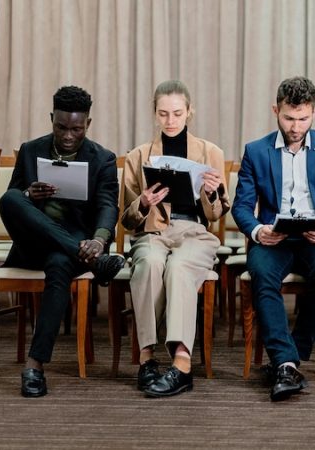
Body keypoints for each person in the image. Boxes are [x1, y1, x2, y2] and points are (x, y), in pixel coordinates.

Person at [232, 76, 315, 401]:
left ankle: (290, 356)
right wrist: (258, 230)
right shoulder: (256, 151)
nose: (296, 127)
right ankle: (286, 362)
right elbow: (242, 206)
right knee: (261, 275)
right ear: (276, 110)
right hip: (274, 237)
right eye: (289, 118)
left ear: (314, 112)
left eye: (303, 118)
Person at [0, 85, 125, 397]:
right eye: (61, 127)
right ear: (51, 118)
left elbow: (109, 205)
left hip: (77, 248)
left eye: (76, 129)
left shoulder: (103, 159)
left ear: (88, 125)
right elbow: (15, 203)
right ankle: (97, 264)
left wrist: (98, 241)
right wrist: (30, 195)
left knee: (58, 265)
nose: (68, 136)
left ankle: (34, 366)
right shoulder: (31, 150)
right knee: (11, 198)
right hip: (33, 245)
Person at [121, 80, 230, 397]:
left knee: (180, 267)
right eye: (164, 113)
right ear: (155, 113)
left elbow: (215, 214)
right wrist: (143, 203)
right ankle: (147, 359)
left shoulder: (210, 152)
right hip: (153, 232)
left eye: (177, 113)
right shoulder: (139, 156)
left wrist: (210, 193)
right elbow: (127, 220)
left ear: (189, 112)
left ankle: (182, 364)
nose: (170, 121)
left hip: (194, 231)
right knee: (151, 263)